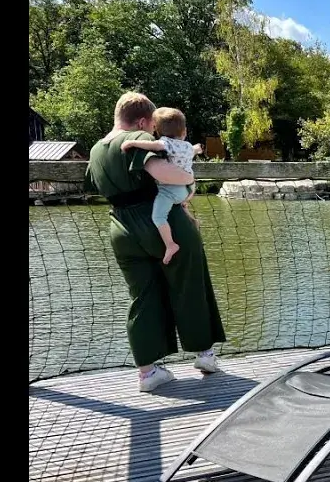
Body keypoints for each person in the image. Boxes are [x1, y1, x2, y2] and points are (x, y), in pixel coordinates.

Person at [87, 92, 227, 392]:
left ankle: (148, 373)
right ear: (141, 121)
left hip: (121, 227)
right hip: (163, 223)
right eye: (152, 127)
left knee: (143, 296)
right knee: (191, 285)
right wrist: (189, 181)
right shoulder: (138, 137)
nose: (153, 133)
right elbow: (163, 172)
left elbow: (93, 184)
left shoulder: (97, 149)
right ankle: (205, 356)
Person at [120, 107, 204, 264]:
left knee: (158, 217)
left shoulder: (165, 143)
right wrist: (198, 149)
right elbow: (194, 150)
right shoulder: (186, 146)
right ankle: (191, 219)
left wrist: (131, 142)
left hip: (171, 189)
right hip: (189, 188)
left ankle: (170, 244)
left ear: (157, 132)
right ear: (184, 131)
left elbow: (153, 146)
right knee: (181, 203)